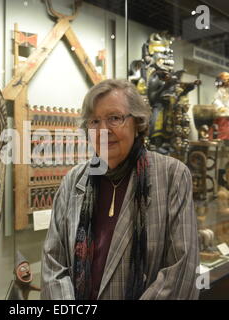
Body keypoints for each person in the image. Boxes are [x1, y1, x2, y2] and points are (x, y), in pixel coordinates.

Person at [41, 79, 200, 300]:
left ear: (138, 123)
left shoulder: (172, 176)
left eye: (114, 118)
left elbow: (182, 271)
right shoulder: (73, 181)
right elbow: (53, 264)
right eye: (94, 121)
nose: (103, 131)